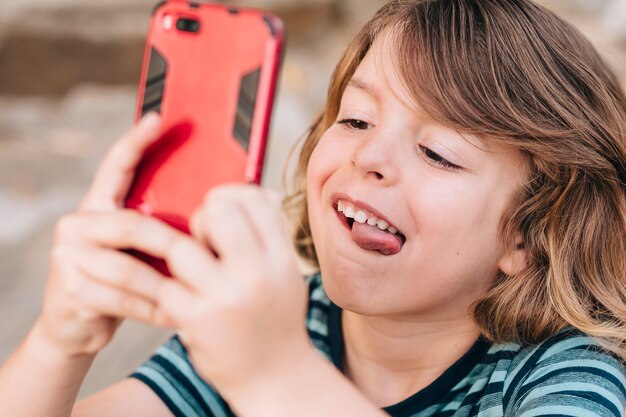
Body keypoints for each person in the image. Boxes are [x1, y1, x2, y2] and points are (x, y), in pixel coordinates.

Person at [1, 0, 625, 416]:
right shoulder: (278, 326)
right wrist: (61, 341)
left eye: (438, 153)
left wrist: (273, 374)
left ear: (530, 230)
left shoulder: (572, 379)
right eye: (355, 118)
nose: (369, 157)